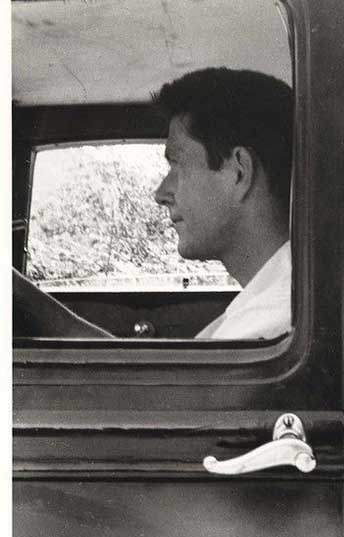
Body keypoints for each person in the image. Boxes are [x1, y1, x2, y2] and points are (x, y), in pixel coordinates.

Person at [13, 67, 294, 340]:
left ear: (240, 173)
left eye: (177, 164)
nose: (160, 193)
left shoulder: (269, 320)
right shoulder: (271, 300)